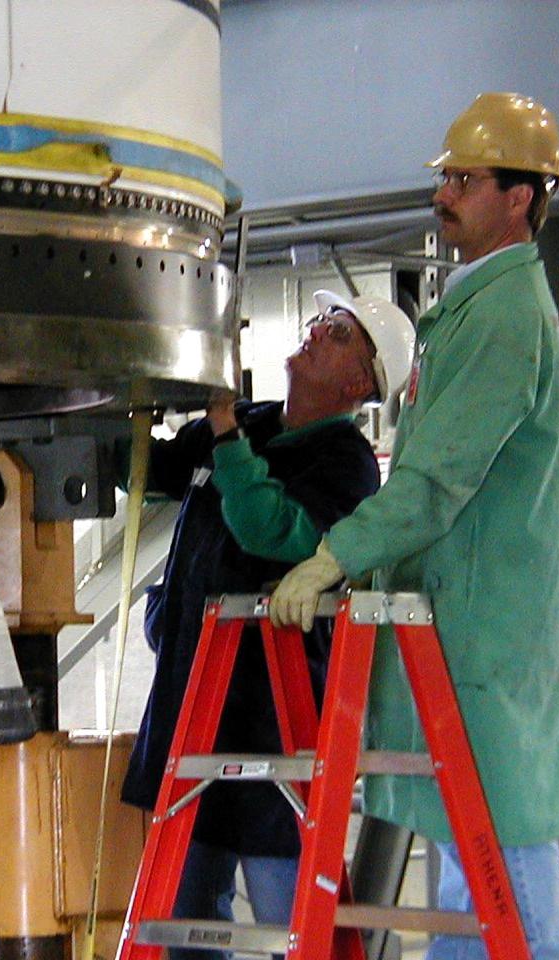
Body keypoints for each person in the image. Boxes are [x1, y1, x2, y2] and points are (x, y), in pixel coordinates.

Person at [270, 92, 559, 960]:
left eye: (464, 181)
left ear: (519, 198)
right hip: (464, 643)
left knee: (507, 893)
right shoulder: (474, 310)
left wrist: (332, 557)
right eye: (445, 179)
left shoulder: (506, 318)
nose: (443, 195)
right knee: (474, 892)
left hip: (485, 649)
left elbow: (436, 481)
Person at [119, 290, 415, 953]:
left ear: (360, 384)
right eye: (322, 321)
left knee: (291, 923)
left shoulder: (345, 463)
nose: (317, 331)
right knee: (185, 923)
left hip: (272, 721)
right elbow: (147, 470)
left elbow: (269, 531)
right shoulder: (248, 421)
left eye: (339, 333)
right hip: (194, 707)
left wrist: (225, 432)